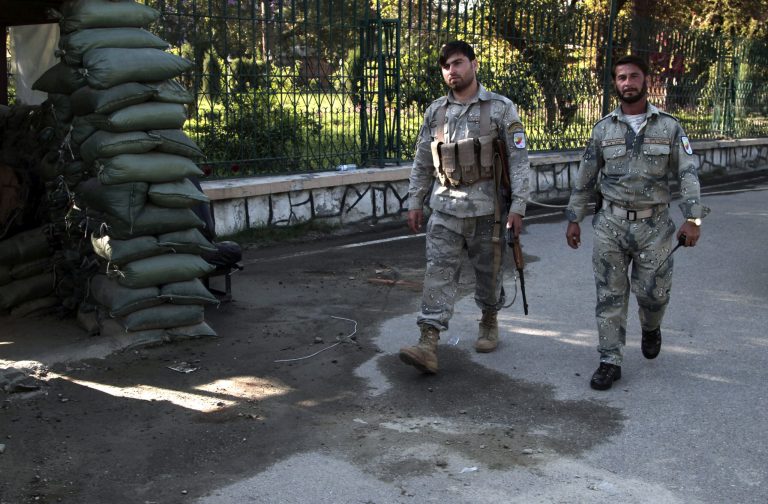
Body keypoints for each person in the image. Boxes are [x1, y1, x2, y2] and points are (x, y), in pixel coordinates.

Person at [565, 55, 710, 390]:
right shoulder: (603, 129)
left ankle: (651, 326)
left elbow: (688, 174)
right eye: (620, 78)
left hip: (654, 228)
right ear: (614, 83)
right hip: (610, 225)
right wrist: (575, 218)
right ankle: (609, 360)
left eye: (633, 76)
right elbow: (585, 178)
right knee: (609, 295)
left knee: (653, 295)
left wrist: (694, 219)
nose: (627, 83)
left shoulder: (669, 127)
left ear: (646, 81)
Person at [399, 40, 531, 374]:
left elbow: (518, 161)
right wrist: (415, 201)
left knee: (488, 275)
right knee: (439, 274)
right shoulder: (436, 112)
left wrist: (518, 207)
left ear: (473, 64)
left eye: (457, 63)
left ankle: (489, 318)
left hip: (488, 212)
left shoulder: (501, 108)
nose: (451, 71)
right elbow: (422, 161)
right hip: (444, 209)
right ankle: (428, 341)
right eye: (446, 66)